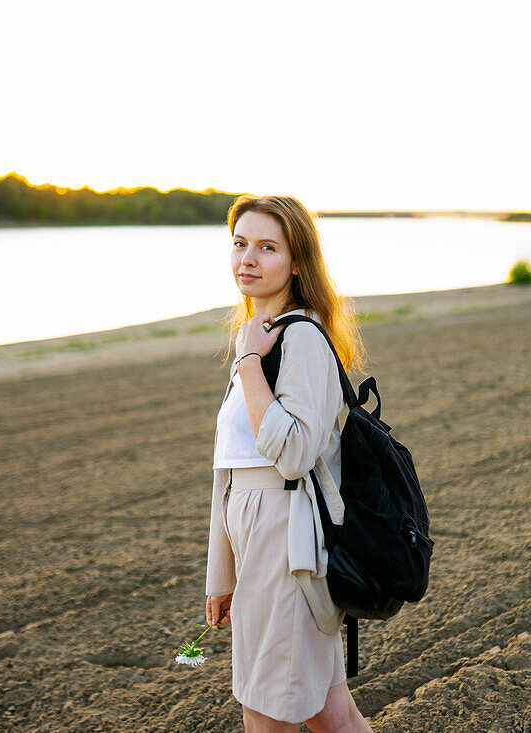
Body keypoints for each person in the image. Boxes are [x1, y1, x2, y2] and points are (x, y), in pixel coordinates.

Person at [205, 194, 373, 732]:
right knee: (332, 713)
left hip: (286, 541)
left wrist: (251, 362)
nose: (246, 259)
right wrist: (221, 574)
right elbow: (228, 470)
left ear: (297, 262)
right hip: (259, 538)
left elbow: (296, 453)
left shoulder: (298, 338)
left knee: (266, 714)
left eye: (266, 247)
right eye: (239, 243)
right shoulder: (258, 335)